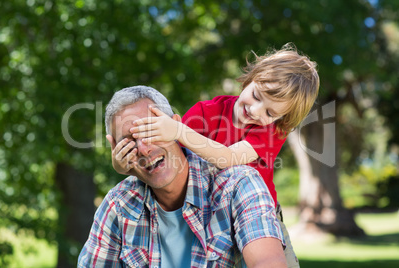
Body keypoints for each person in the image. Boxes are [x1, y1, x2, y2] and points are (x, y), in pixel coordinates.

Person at [113, 43, 319, 267]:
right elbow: (166, 158)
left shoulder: (272, 131)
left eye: (270, 112)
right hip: (211, 214)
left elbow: (228, 158)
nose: (256, 111)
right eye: (257, 96)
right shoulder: (206, 111)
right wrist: (122, 166)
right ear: (251, 79)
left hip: (258, 215)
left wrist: (179, 131)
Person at [78, 86, 287, 267]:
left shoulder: (239, 186)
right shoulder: (119, 205)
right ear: (115, 148)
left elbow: (267, 261)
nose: (144, 149)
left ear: (176, 127)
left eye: (152, 132)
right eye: (129, 142)